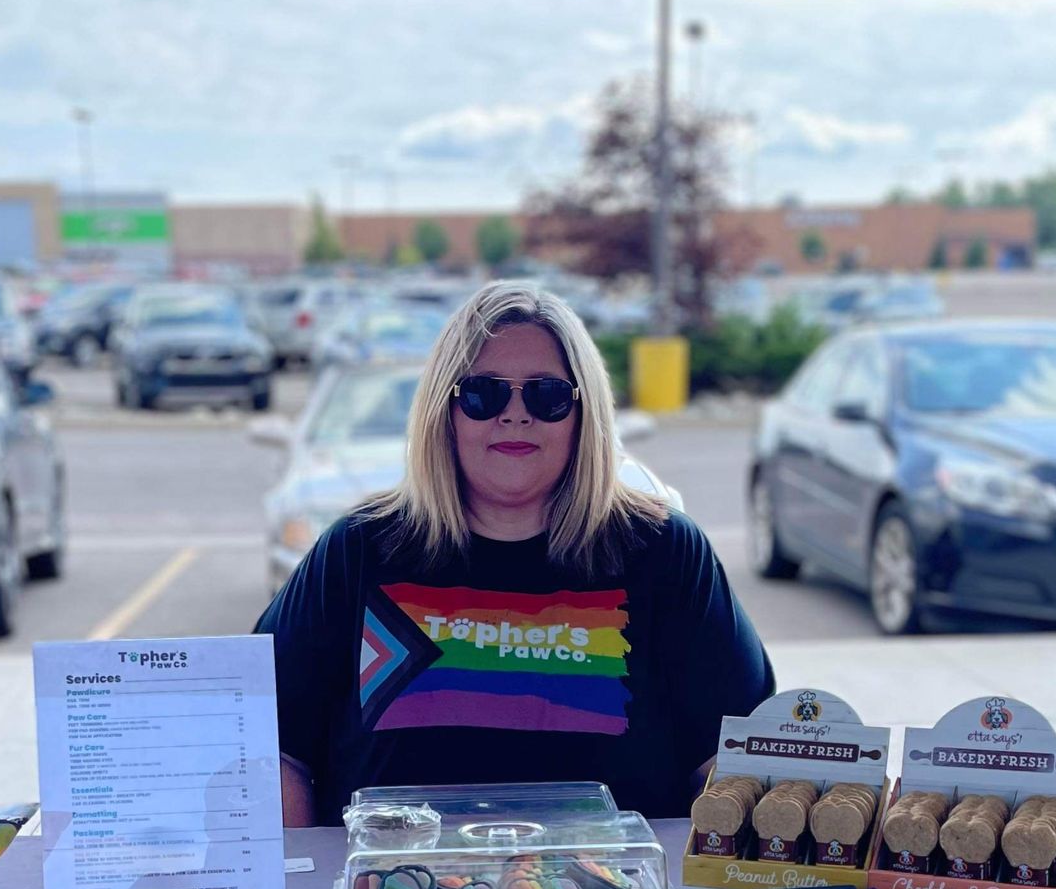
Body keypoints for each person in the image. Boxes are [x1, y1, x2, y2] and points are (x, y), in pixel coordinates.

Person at [258, 280, 773, 823]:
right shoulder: (359, 552)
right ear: (445, 409)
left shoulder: (666, 553)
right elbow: (269, 749)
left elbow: (734, 759)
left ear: (584, 415)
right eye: (485, 393)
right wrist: (291, 885)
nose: (515, 415)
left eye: (547, 395)